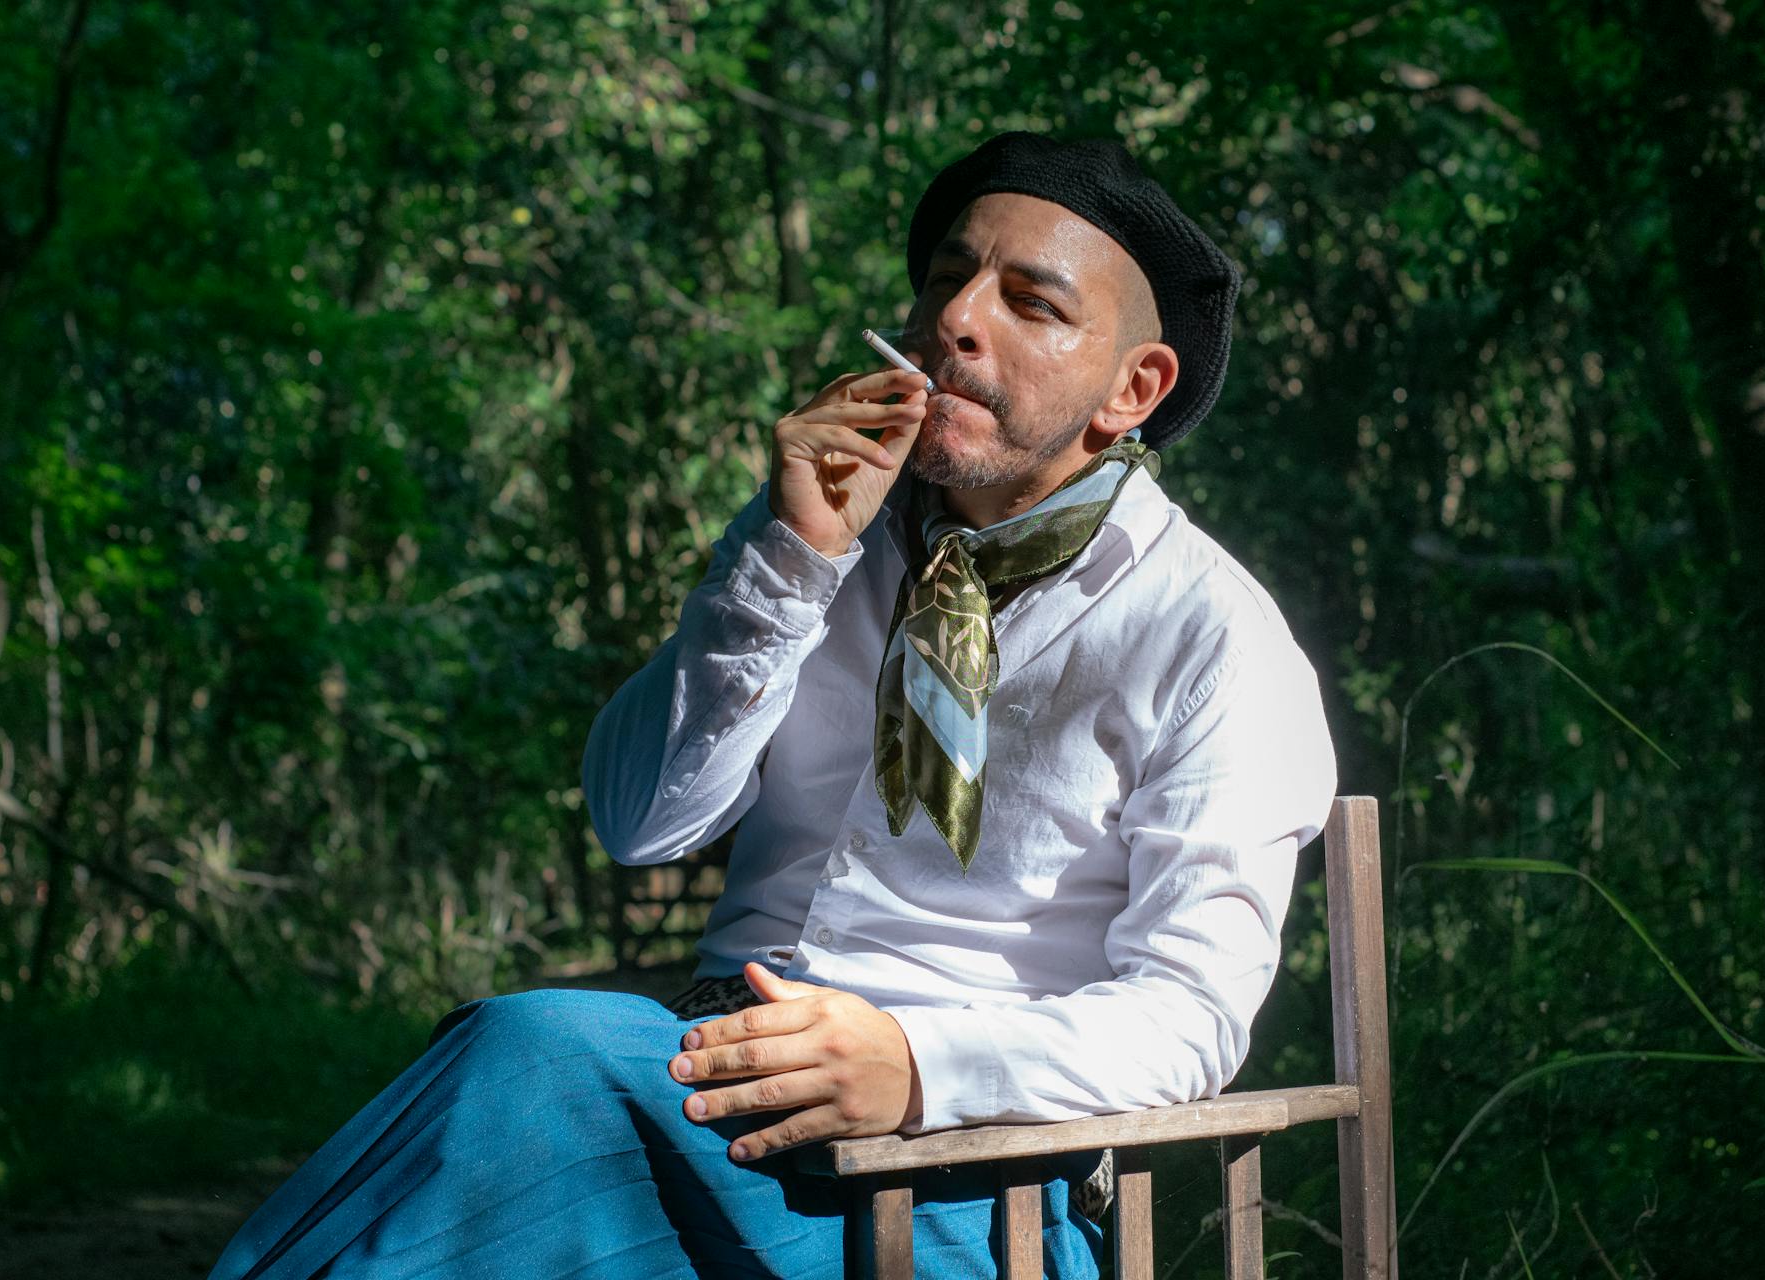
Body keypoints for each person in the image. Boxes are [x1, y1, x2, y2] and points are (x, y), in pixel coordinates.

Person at [207, 131, 1336, 1280]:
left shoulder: (1211, 634)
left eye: (1032, 302)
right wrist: (790, 557)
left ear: (1132, 388)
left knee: (535, 1056)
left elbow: (1191, 1015)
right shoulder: (818, 537)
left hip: (969, 1179)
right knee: (535, 1065)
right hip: (705, 1095)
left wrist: (912, 1060)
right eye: (948, 277)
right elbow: (639, 820)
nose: (956, 317)